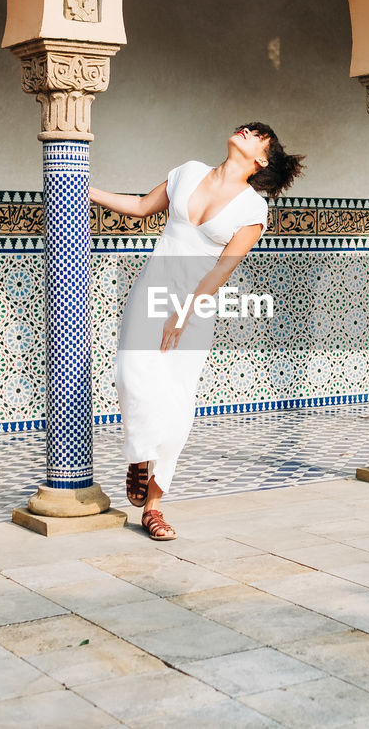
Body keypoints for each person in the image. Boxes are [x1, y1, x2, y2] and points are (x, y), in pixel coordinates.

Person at [89, 123, 304, 540]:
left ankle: (153, 506)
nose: (248, 130)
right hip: (152, 287)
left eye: (259, 135)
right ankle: (140, 453)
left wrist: (184, 312)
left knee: (178, 400)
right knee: (130, 373)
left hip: (195, 304)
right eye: (249, 127)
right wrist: (87, 190)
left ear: (262, 160)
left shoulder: (252, 210)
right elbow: (138, 206)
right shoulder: (187, 171)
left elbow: (223, 268)